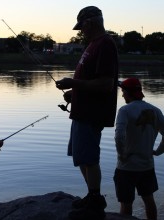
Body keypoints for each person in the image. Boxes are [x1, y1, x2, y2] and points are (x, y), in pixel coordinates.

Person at [56, 6, 118, 220]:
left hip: (92, 113)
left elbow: (106, 84)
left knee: (89, 157)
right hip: (81, 110)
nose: (80, 31)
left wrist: (73, 82)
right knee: (80, 155)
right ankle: (92, 195)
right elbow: (91, 80)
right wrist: (74, 92)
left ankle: (95, 200)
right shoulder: (92, 45)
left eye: (81, 27)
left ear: (90, 23)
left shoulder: (105, 45)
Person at [114, 78, 164, 220]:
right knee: (149, 201)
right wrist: (158, 151)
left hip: (126, 167)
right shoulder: (156, 110)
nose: (122, 95)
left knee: (126, 204)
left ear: (128, 93)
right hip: (147, 166)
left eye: (123, 92)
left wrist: (121, 154)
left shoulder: (124, 110)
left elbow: (119, 137)